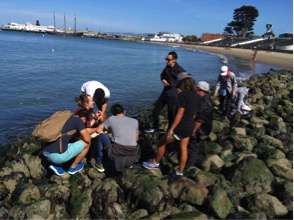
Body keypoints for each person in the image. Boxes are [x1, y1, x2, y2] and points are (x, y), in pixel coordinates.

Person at [143, 72, 199, 176]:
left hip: (180, 126)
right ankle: (180, 172)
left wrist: (171, 129)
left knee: (161, 142)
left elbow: (179, 114)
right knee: (184, 148)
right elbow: (195, 113)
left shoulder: (183, 95)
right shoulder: (196, 95)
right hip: (190, 125)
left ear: (181, 82)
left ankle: (155, 163)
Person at [145, 51, 186, 132]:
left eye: (168, 59)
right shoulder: (167, 67)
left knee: (171, 114)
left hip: (173, 95)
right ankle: (155, 127)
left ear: (174, 60)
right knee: (156, 109)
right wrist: (163, 80)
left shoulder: (180, 70)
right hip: (165, 93)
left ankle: (170, 131)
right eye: (166, 59)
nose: (166, 61)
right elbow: (162, 75)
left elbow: (187, 81)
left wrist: (181, 90)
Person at [96, 103, 140, 172]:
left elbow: (98, 130)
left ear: (112, 114)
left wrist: (108, 131)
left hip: (117, 153)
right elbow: (136, 139)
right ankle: (129, 162)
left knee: (102, 136)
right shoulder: (135, 121)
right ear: (124, 112)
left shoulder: (111, 119)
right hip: (133, 154)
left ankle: (99, 162)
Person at [73, 94, 110, 173]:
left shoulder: (82, 111)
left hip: (80, 135)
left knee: (101, 132)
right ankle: (96, 160)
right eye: (91, 101)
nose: (93, 102)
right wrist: (96, 132)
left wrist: (95, 117)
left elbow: (88, 124)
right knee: (102, 136)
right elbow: (83, 130)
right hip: (80, 138)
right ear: (86, 103)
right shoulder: (83, 114)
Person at [186, 81, 212, 169]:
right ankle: (201, 157)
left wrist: (193, 130)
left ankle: (188, 166)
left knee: (192, 146)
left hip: (201, 129)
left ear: (201, 90)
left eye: (196, 88)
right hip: (206, 127)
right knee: (199, 143)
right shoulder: (205, 98)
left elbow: (199, 119)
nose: (195, 89)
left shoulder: (203, 102)